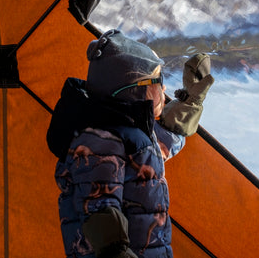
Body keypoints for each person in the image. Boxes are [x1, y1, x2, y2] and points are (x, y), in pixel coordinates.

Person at [46, 29, 214, 258]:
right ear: (134, 89)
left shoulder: (127, 133)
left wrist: (189, 104)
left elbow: (157, 147)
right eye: (158, 81)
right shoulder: (99, 141)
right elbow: (97, 206)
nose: (164, 89)